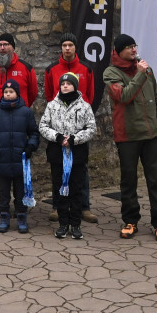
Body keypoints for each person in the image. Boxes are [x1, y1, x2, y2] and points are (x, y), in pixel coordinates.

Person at [103, 34, 157, 243]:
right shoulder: (111, 73)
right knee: (129, 181)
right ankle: (130, 220)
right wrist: (140, 75)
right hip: (127, 136)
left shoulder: (146, 69)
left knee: (156, 181)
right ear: (118, 51)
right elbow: (124, 96)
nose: (134, 50)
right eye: (129, 47)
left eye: (134, 46)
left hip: (151, 134)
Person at [43, 34, 98, 224]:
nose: (67, 48)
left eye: (70, 45)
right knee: (58, 170)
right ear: (61, 48)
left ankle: (85, 207)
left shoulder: (86, 69)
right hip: (58, 131)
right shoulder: (51, 70)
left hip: (79, 131)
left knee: (81, 169)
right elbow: (49, 95)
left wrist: (80, 124)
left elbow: (90, 95)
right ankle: (57, 207)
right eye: (64, 45)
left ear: (76, 48)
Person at [0, 33, 38, 210]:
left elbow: (33, 93)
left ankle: (20, 202)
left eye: (6, 44)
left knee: (20, 165)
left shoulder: (26, 68)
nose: (3, 47)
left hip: (19, 124)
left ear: (13, 47)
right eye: (0, 45)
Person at [39, 73, 97, 240]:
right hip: (58, 154)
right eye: (62, 83)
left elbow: (91, 128)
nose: (65, 86)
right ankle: (63, 224)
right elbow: (43, 125)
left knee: (76, 189)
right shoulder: (52, 105)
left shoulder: (84, 106)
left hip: (77, 154)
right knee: (60, 189)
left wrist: (74, 139)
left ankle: (76, 224)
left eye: (68, 83)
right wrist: (57, 137)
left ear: (75, 86)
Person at [0, 79, 39, 234]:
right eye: (6, 92)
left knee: (20, 191)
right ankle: (4, 216)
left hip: (20, 159)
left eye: (11, 92)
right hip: (2, 159)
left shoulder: (26, 112)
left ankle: (21, 216)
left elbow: (33, 132)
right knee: (3, 191)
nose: (8, 95)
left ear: (17, 93)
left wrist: (30, 146)